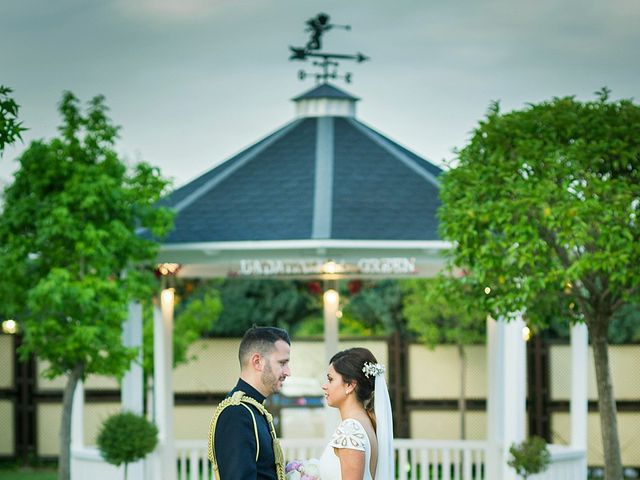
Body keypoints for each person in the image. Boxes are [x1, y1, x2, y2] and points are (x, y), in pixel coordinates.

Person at [208, 326, 291, 480]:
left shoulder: (253, 409)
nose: (288, 372)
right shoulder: (237, 413)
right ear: (257, 362)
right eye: (282, 363)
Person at [319, 347, 394, 480]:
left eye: (330, 379)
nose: (324, 386)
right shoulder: (366, 422)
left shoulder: (350, 430)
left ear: (350, 385)